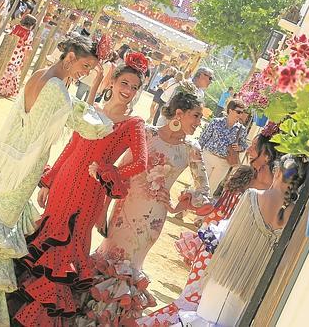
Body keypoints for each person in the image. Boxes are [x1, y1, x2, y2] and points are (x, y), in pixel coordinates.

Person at [0, 36, 112, 326]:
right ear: (69, 56)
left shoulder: (40, 75)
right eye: (85, 65)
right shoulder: (57, 89)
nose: (86, 72)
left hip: (17, 158)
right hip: (27, 165)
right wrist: (103, 104)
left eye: (91, 69)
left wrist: (96, 84)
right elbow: (86, 125)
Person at [10, 53, 149, 326]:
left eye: (134, 87)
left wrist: (110, 172)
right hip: (63, 184)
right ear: (113, 83)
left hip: (90, 193)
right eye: (124, 83)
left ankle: (38, 319)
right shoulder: (90, 109)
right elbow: (71, 147)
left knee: (69, 245)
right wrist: (49, 182)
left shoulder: (134, 124)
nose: (128, 91)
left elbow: (141, 163)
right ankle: (17, 307)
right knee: (47, 234)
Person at [76, 92, 212, 325]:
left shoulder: (192, 148)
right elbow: (118, 173)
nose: (199, 123)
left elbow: (204, 193)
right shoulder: (147, 133)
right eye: (196, 116)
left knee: (130, 267)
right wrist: (103, 211)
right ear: (179, 113)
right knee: (108, 257)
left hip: (153, 221)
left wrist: (176, 205)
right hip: (124, 210)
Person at [139, 124, 283, 326]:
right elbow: (218, 208)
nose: (248, 150)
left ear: (266, 155)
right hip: (210, 251)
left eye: (253, 146)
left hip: (236, 261)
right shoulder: (243, 175)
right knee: (189, 303)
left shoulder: (274, 193)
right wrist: (179, 207)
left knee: (207, 311)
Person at [170, 155, 307, 326]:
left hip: (226, 275)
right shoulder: (296, 217)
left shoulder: (252, 196)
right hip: (251, 287)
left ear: (277, 172)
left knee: (206, 318)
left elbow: (227, 234)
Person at [198, 99, 249, 192]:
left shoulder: (242, 129)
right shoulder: (216, 122)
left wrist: (240, 147)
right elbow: (203, 138)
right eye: (238, 112)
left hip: (224, 163)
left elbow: (245, 145)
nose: (241, 115)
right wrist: (197, 153)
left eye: (242, 112)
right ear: (230, 111)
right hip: (208, 157)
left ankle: (201, 206)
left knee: (211, 190)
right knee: (199, 185)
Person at [0, 14, 37, 98]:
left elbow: (9, 36)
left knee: (4, 67)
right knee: (12, 71)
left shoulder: (15, 27)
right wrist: (25, 60)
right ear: (32, 25)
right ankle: (5, 89)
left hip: (10, 50)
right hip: (18, 54)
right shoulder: (29, 34)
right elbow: (27, 47)